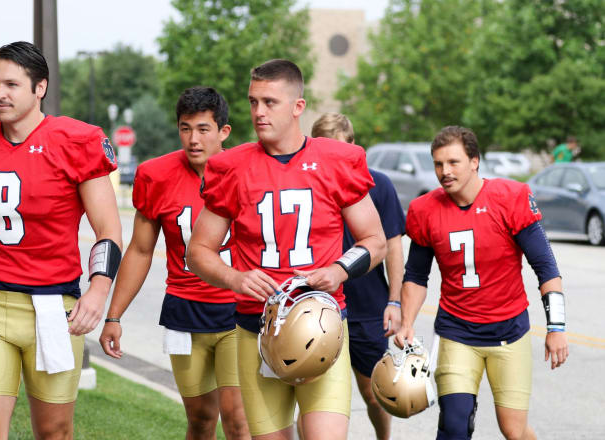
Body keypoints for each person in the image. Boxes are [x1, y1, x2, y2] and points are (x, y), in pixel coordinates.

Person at [186, 59, 387, 440]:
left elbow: (375, 241)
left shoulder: (336, 160)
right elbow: (198, 252)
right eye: (253, 101)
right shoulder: (231, 167)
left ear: (298, 107)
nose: (259, 112)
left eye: (270, 102)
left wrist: (340, 270)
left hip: (323, 323)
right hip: (257, 329)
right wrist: (235, 277)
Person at [0, 41, 122, 440]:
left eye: (11, 84)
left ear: (40, 87)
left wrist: (97, 291)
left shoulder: (77, 140)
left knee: (54, 432)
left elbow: (108, 229)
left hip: (53, 308)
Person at [395, 126, 569, 440]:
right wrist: (407, 322)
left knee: (513, 430)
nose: (444, 172)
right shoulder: (424, 209)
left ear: (475, 161)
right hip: (457, 331)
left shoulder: (510, 197)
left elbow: (546, 268)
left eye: (453, 162)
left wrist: (556, 328)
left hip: (509, 332)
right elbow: (416, 276)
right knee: (454, 427)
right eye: (438, 164)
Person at [99, 86, 249, 439]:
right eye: (185, 128)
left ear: (223, 131)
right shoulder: (155, 174)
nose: (193, 139)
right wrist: (113, 315)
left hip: (238, 310)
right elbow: (139, 250)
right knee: (200, 420)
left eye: (203, 129)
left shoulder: (246, 170)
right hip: (186, 310)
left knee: (238, 420)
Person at [306, 112, 404, 440]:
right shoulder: (306, 184)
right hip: (319, 307)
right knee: (315, 400)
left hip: (368, 308)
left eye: (339, 148)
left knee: (373, 394)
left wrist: (394, 300)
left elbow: (392, 248)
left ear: (353, 146)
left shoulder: (379, 185)